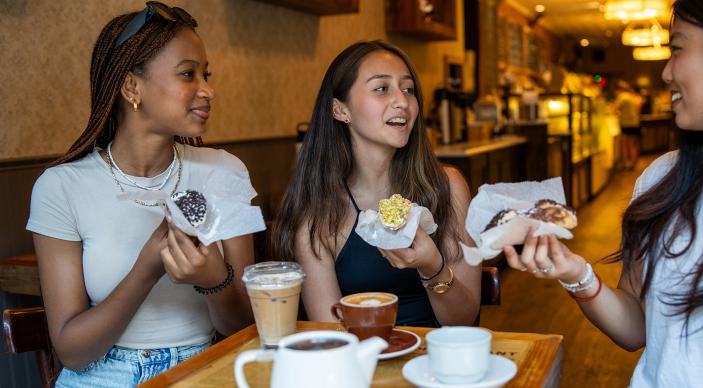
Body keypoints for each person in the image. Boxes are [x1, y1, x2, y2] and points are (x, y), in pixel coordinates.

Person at [504, 0, 703, 386]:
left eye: (676, 49)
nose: (666, 71)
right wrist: (577, 274)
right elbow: (635, 330)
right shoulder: (664, 177)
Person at [26, 3, 255, 386]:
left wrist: (215, 278)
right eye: (188, 74)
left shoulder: (224, 172)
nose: (207, 89)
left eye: (205, 74)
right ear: (132, 87)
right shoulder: (60, 187)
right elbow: (72, 350)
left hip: (204, 368)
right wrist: (146, 271)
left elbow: (245, 328)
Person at [272, 40, 480, 328]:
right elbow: (332, 333)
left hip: (440, 361)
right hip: (363, 364)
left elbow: (464, 321)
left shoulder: (447, 186)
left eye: (408, 89)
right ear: (340, 110)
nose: (402, 101)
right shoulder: (317, 216)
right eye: (382, 88)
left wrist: (432, 266)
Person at [613, 80, 644, 170]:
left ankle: (625, 164)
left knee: (625, 144)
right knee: (633, 144)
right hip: (635, 123)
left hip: (626, 124)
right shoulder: (632, 96)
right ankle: (633, 164)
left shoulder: (622, 97)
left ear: (619, 89)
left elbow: (614, 109)